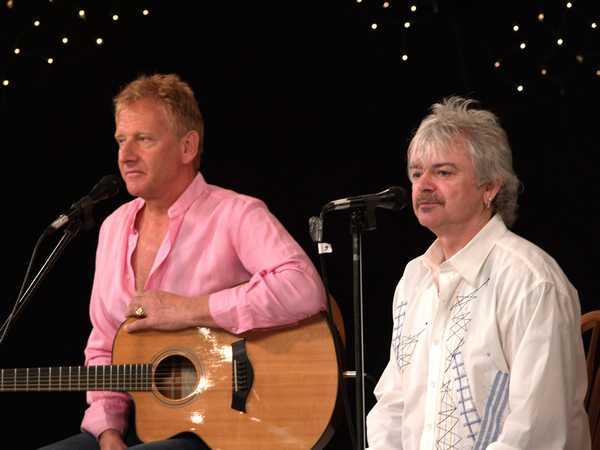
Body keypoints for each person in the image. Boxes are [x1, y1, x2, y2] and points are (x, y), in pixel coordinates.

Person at [38, 73, 327, 450]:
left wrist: (191, 310)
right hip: (146, 425)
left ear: (188, 147)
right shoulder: (113, 228)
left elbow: (303, 288)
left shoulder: (236, 214)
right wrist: (108, 431)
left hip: (227, 425)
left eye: (144, 139)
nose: (126, 155)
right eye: (121, 140)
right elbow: (105, 347)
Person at [366, 97, 591, 449]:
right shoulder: (414, 279)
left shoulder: (531, 281)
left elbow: (537, 431)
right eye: (416, 173)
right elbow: (392, 407)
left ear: (490, 187)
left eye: (443, 172)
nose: (423, 185)